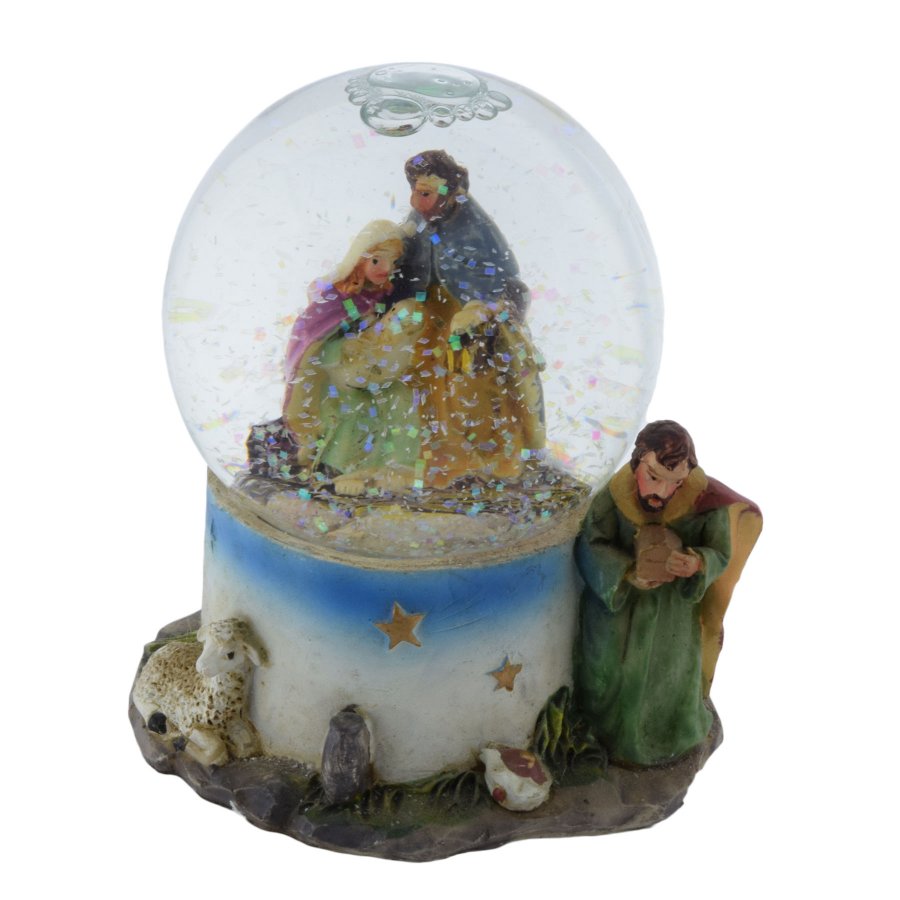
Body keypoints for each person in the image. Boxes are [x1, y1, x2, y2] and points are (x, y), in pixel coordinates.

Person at [574, 421, 760, 766]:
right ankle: (604, 738)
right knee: (608, 678)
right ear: (638, 462)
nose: (663, 490)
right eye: (654, 476)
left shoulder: (704, 503)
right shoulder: (614, 497)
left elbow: (720, 552)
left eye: (676, 482)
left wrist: (697, 563)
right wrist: (625, 573)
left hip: (671, 618)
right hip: (619, 613)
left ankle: (667, 739)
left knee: (667, 679)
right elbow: (591, 544)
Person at [391, 150, 546, 488]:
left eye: (426, 192)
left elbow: (502, 279)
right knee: (424, 378)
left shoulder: (474, 227)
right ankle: (431, 455)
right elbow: (407, 260)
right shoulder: (420, 219)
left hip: (473, 319)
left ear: (451, 190)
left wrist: (481, 311)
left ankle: (491, 460)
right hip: (432, 312)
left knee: (472, 387)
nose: (418, 201)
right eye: (416, 191)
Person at [282, 220, 419, 482]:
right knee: (353, 403)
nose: (386, 269)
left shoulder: (380, 295)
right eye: (377, 261)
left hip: (364, 369)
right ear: (358, 260)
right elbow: (311, 344)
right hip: (328, 375)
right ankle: (334, 466)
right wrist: (344, 348)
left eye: (392, 262)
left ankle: (393, 467)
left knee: (400, 396)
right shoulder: (335, 299)